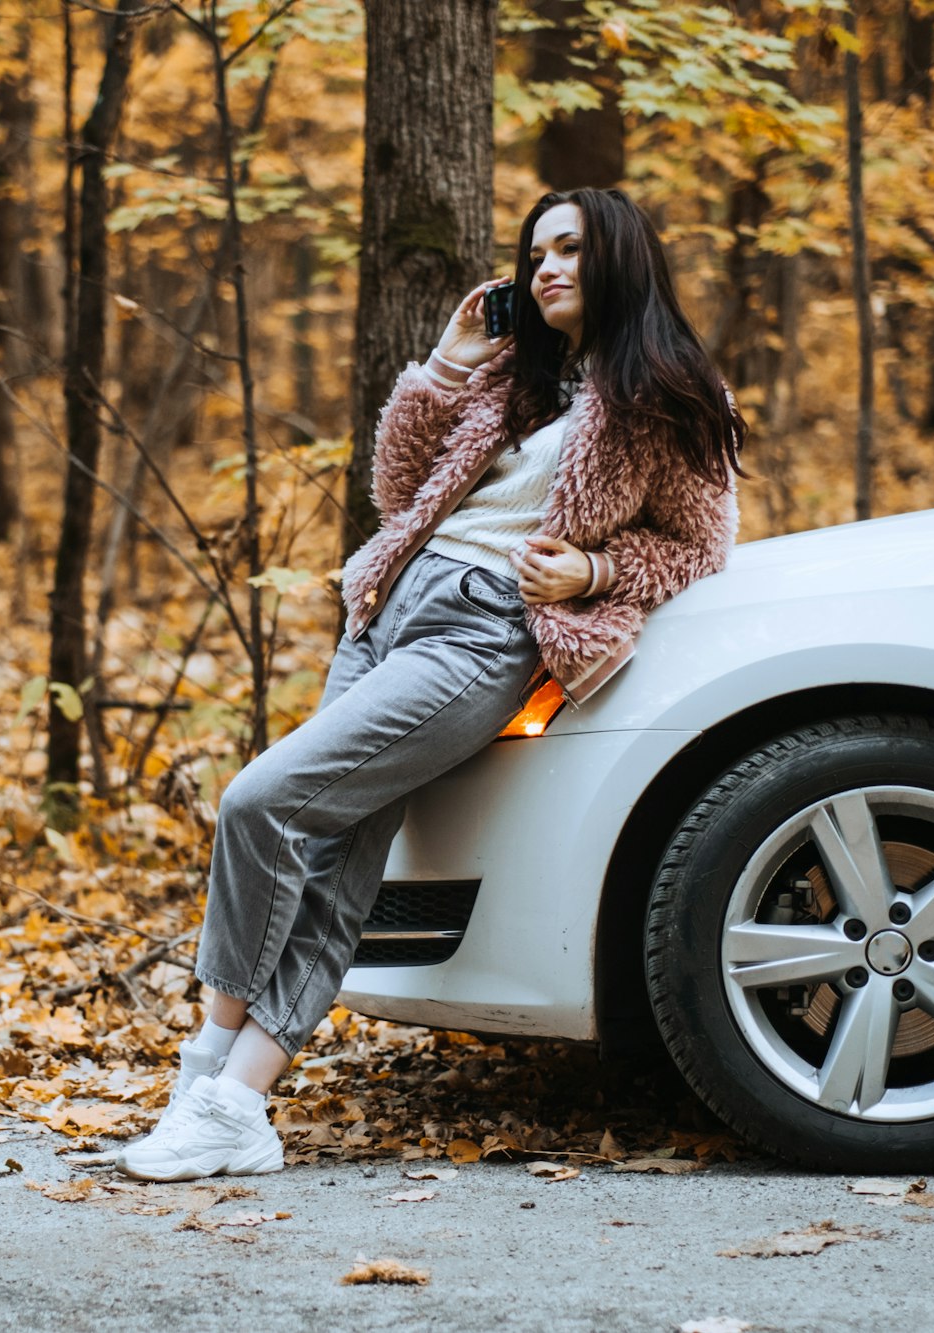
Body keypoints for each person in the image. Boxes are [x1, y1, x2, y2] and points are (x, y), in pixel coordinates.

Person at [119, 186, 747, 1182]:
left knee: (260, 801)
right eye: (534, 252)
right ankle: (234, 1103)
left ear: (620, 256)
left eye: (569, 249)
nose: (544, 269)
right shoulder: (515, 374)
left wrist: (590, 574)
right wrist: (449, 360)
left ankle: (206, 1062)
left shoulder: (666, 395)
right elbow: (397, 485)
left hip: (480, 633)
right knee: (337, 852)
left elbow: (701, 548)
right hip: (385, 608)